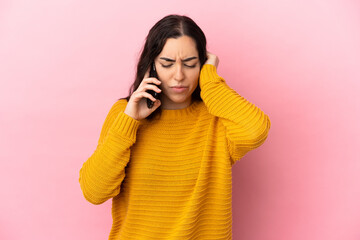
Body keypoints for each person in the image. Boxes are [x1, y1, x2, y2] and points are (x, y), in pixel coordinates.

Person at [79, 14, 271, 240]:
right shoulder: (124, 115)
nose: (179, 76)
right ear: (150, 64)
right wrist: (129, 121)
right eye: (167, 64)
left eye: (190, 64)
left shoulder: (217, 119)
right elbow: (94, 192)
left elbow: (256, 129)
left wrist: (209, 79)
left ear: (202, 63)